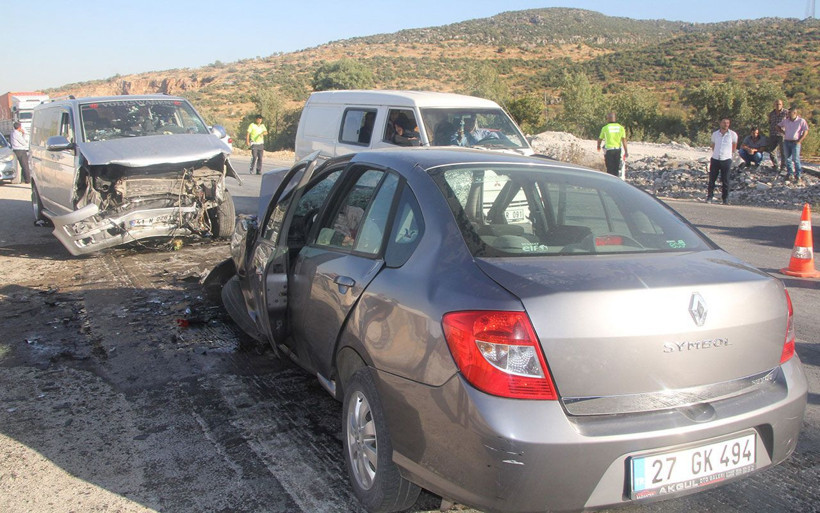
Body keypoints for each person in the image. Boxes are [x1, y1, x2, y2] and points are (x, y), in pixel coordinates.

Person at [707, 118, 738, 205]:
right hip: (716, 158)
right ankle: (709, 197)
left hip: (726, 159)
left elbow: (734, 147)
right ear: (720, 123)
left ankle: (725, 199)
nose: (726, 124)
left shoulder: (733, 134)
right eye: (724, 123)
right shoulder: (715, 134)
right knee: (712, 179)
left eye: (727, 123)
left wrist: (728, 154)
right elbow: (713, 145)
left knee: (726, 180)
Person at [777, 106, 810, 182]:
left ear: (794, 113)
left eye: (789, 112)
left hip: (795, 142)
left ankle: (798, 175)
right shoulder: (786, 121)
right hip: (787, 141)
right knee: (787, 159)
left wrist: (800, 140)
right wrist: (783, 132)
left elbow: (806, 131)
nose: (788, 114)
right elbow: (777, 126)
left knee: (796, 159)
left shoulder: (801, 121)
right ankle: (790, 174)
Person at [596, 112, 629, 177]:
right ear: (615, 118)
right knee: (616, 168)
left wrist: (598, 146)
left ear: (608, 119)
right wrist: (626, 151)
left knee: (609, 169)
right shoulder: (621, 127)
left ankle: (610, 181)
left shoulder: (605, 128)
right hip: (617, 150)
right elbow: (624, 140)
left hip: (609, 150)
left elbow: (600, 139)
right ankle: (615, 181)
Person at [767, 99, 789, 170]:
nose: (778, 106)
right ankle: (776, 165)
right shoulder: (771, 113)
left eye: (779, 104)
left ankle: (783, 166)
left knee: (783, 151)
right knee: (771, 152)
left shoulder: (786, 113)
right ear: (774, 105)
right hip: (773, 133)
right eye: (776, 104)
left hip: (782, 134)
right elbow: (769, 122)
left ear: (782, 105)